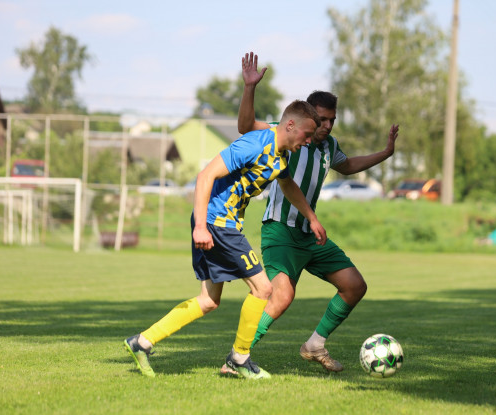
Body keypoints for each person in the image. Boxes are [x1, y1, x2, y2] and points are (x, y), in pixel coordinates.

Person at [124, 98, 326, 380]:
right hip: (217, 223)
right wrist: (201, 227)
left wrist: (312, 218)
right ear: (290, 125)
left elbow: (287, 184)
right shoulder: (255, 143)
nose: (308, 141)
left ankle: (142, 342)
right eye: (307, 134)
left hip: (221, 223)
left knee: (208, 300)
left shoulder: (280, 157)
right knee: (263, 288)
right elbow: (205, 175)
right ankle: (238, 359)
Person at [233, 52, 399, 372]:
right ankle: (238, 356)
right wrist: (250, 87)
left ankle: (314, 345)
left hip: (311, 235)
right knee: (281, 296)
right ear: (307, 116)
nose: (327, 126)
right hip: (280, 230)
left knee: (354, 286)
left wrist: (386, 152)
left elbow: (347, 166)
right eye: (322, 119)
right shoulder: (287, 131)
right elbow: (245, 126)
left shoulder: (329, 145)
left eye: (332, 120)